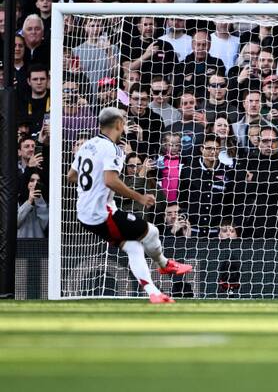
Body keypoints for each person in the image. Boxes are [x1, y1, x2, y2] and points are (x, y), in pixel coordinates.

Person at [66, 107, 193, 304]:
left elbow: (72, 176)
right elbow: (110, 181)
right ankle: (165, 264)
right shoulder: (113, 149)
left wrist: (93, 187)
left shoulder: (87, 145)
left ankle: (154, 293)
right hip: (102, 215)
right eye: (124, 120)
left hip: (84, 212)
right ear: (118, 124)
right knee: (151, 232)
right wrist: (140, 198)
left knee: (134, 247)